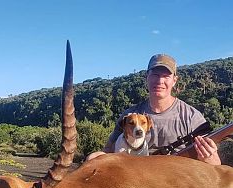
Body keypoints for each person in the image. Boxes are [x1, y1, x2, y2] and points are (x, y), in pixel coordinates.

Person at [87, 54, 221, 165]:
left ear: (174, 80)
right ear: (147, 77)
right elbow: (108, 152)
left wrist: (212, 158)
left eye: (166, 76)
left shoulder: (192, 117)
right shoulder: (129, 116)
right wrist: (94, 158)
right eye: (155, 75)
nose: (160, 81)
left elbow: (214, 163)